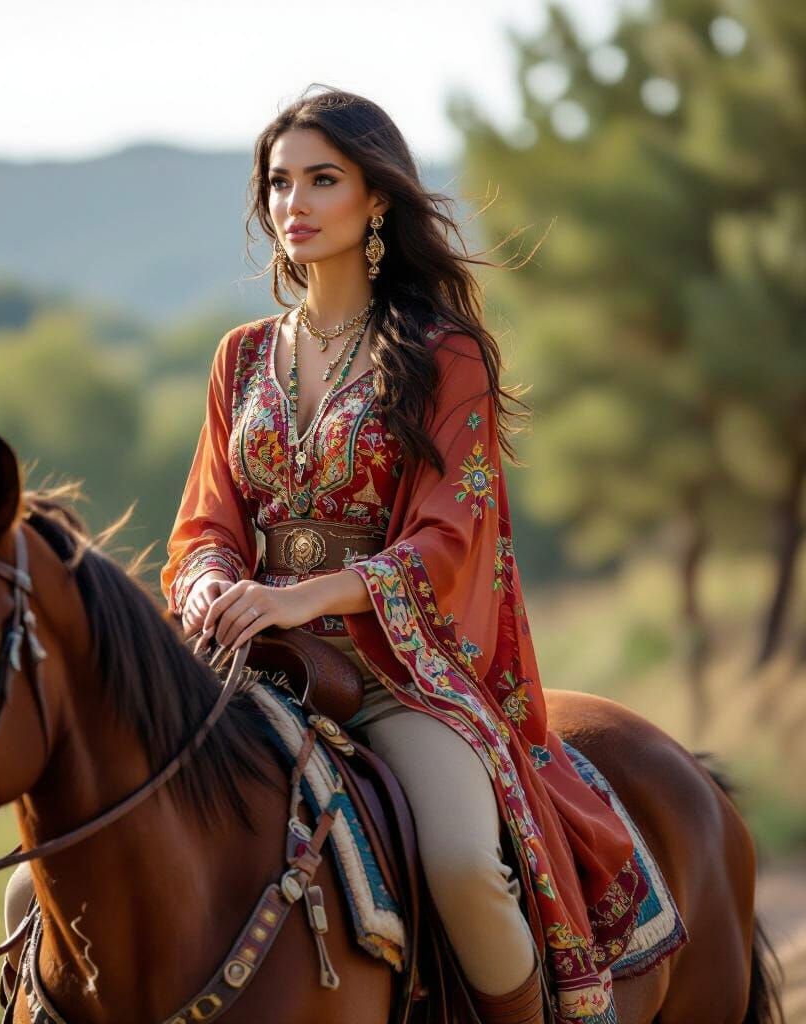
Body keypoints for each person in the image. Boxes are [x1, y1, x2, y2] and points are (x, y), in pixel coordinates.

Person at [160, 87, 653, 1024]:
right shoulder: (240, 358)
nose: (292, 203)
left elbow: (445, 539)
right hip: (247, 664)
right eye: (277, 183)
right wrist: (213, 584)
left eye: (322, 179)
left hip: (396, 673)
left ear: (376, 200)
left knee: (463, 865)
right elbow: (207, 522)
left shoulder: (443, 352)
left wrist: (306, 598)